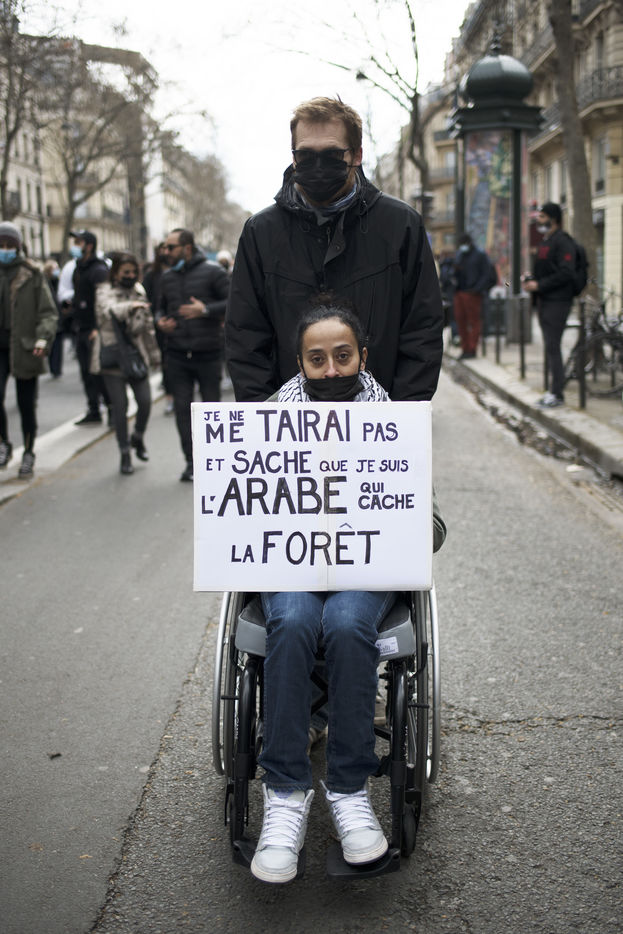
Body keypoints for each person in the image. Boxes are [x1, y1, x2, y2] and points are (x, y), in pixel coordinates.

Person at [250, 298, 447, 885]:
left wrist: (411, 523)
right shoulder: (266, 424)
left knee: (346, 624)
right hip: (295, 566)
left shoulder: (395, 424)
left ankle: (348, 788)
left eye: (342, 356)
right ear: (300, 364)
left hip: (365, 568)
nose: (331, 369)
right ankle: (286, 793)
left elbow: (434, 524)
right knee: (291, 623)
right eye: (317, 359)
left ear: (362, 356)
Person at [225, 96, 443, 404]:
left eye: (331, 154)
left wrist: (402, 414)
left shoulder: (401, 225)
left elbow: (422, 328)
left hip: (382, 421)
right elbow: (245, 335)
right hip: (289, 425)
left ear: (357, 155)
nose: (317, 165)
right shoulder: (260, 232)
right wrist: (266, 416)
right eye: (305, 155)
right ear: (293, 156)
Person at [156, 228, 230, 482]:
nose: (165, 251)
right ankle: (192, 463)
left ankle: (214, 462)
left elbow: (234, 302)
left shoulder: (213, 271)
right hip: (177, 354)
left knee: (211, 413)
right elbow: (159, 309)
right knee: (182, 410)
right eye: (165, 247)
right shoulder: (166, 277)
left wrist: (206, 309)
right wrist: (160, 322)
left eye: (171, 247)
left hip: (208, 353)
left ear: (187, 248)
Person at [93, 252, 160, 475]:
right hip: (112, 355)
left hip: (135, 355)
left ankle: (137, 437)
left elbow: (148, 328)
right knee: (120, 408)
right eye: (126, 272)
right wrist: (131, 306)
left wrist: (154, 356)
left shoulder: (139, 290)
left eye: (133, 272)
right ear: (116, 273)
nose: (130, 276)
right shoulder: (104, 290)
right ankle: (124, 452)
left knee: (145, 402)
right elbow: (108, 310)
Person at [0, 221, 58, 478]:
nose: (4, 249)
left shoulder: (32, 274)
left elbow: (48, 312)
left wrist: (42, 338)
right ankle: (4, 443)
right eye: (1, 245)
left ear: (18, 246)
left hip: (25, 347)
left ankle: (28, 452)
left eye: (9, 245)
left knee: (26, 403)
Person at [523, 202, 576, 408]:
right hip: (545, 301)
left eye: (543, 216)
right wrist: (532, 279)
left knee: (553, 347)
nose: (539, 220)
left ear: (553, 219)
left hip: (558, 301)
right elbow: (547, 270)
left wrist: (539, 284)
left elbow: (566, 272)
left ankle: (557, 394)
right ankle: (553, 390)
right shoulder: (547, 241)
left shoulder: (563, 242)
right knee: (550, 347)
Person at [70, 230, 111, 425]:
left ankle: (112, 409)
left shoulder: (98, 270)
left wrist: (97, 327)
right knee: (86, 373)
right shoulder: (79, 268)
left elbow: (104, 301)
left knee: (99, 373)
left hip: (95, 330)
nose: (75, 246)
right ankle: (93, 410)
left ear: (89, 246)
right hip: (82, 328)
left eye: (79, 242)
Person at [142, 242, 174, 415]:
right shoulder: (151, 275)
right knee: (166, 363)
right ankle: (170, 397)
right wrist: (157, 319)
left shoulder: (177, 272)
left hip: (178, 325)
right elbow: (148, 300)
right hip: (159, 326)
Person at [452, 232, 490, 359]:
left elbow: (486, 274)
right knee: (460, 321)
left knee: (474, 321)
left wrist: (476, 289)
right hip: (460, 292)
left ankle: (472, 349)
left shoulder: (480, 255)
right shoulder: (460, 254)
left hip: (472, 293)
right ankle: (465, 348)